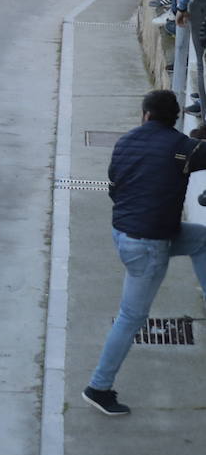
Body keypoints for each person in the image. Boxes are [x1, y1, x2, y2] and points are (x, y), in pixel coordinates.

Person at [83, 90, 206, 417]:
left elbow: (114, 187)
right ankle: (99, 386)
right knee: (130, 318)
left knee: (201, 239)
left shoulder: (124, 142)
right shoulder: (183, 149)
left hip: (125, 234)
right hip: (149, 245)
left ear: (146, 115)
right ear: (176, 117)